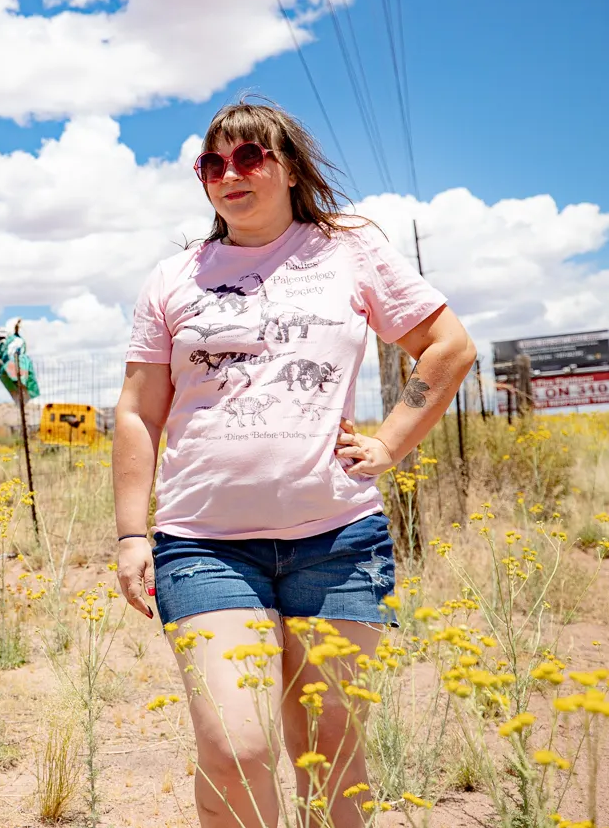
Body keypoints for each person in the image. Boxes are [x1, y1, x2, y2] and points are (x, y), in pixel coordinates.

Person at [113, 99, 476, 828]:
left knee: (331, 743)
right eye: (212, 163)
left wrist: (391, 442)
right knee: (236, 742)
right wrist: (130, 534)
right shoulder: (174, 277)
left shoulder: (348, 249)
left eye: (249, 157)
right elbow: (137, 410)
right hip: (204, 546)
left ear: (288, 166)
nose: (229, 174)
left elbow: (449, 347)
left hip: (340, 540)